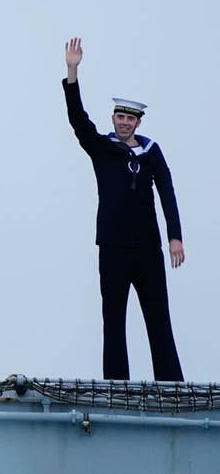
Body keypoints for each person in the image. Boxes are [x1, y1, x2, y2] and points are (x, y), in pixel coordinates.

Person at [63, 37, 185, 381]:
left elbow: (167, 192)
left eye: (130, 118)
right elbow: (77, 120)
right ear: (113, 117)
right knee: (113, 319)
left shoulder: (151, 152)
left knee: (158, 318)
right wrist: (72, 72)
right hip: (113, 247)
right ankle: (116, 384)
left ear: (138, 122)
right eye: (120, 116)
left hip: (147, 247)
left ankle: (172, 386)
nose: (124, 122)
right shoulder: (102, 148)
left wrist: (175, 236)